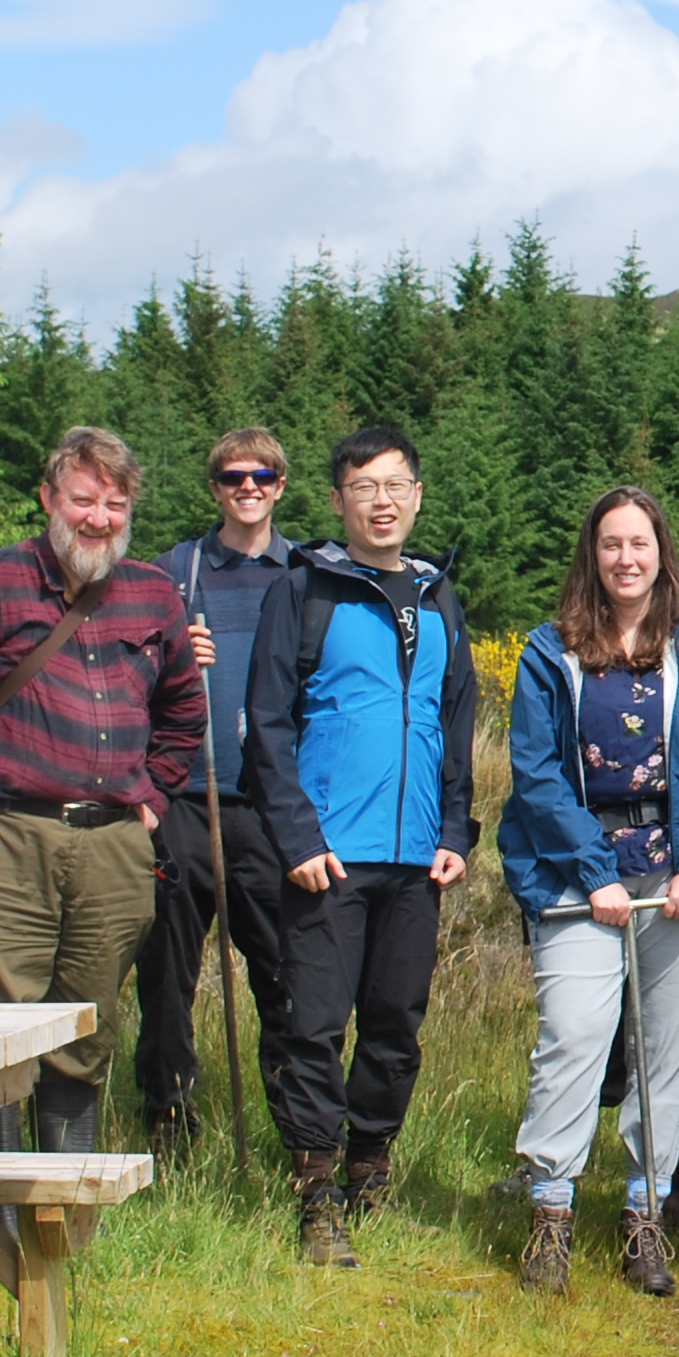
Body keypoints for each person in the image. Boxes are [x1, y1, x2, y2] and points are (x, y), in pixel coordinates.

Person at [500, 488, 679, 1299]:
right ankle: (551, 1210)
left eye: (639, 543)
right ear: (592, 555)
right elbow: (537, 775)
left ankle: (645, 1213)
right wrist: (595, 871)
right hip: (578, 876)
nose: (625, 559)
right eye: (610, 545)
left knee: (668, 1052)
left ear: (662, 552)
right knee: (574, 1033)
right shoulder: (551, 651)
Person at [0, 428, 205, 1167]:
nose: (98, 518)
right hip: (3, 834)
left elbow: (185, 712)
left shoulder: (152, 593)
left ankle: (62, 1209)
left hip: (115, 841)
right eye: (84, 500)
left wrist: (152, 797)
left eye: (115, 505)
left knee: (87, 1022)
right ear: (49, 498)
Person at [244, 425, 478, 1267]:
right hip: (328, 854)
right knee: (313, 1024)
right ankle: (314, 1191)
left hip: (418, 856)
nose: (382, 501)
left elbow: (457, 724)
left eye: (396, 485)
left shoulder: (438, 595)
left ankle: (370, 1163)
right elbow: (265, 725)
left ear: (417, 496)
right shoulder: (304, 590)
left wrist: (457, 829)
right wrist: (296, 836)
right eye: (363, 487)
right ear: (339, 500)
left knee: (395, 1026)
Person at [136, 428, 301, 1159]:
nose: (248, 487)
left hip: (270, 813)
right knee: (167, 977)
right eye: (234, 477)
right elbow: (124, 679)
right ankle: (169, 1122)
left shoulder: (305, 573)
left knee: (285, 979)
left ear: (280, 486)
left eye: (262, 476)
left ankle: (299, 1137)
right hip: (183, 802)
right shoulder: (174, 574)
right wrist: (172, 655)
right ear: (215, 488)